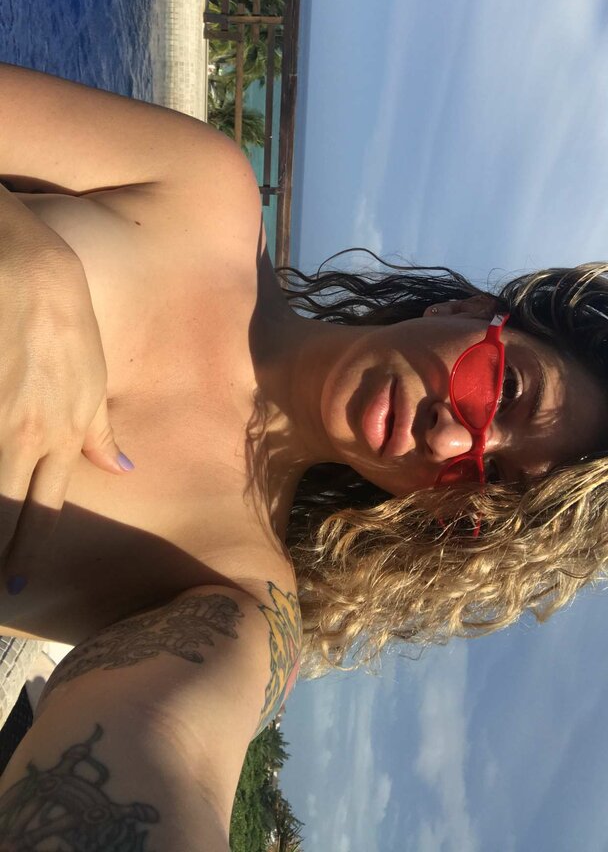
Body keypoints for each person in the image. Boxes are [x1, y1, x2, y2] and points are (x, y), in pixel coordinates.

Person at [0, 61, 606, 848]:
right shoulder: (200, 189)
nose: (452, 438)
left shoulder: (235, 588)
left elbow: (165, 741)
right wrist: (28, 254)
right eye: (505, 388)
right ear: (471, 309)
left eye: (486, 484)